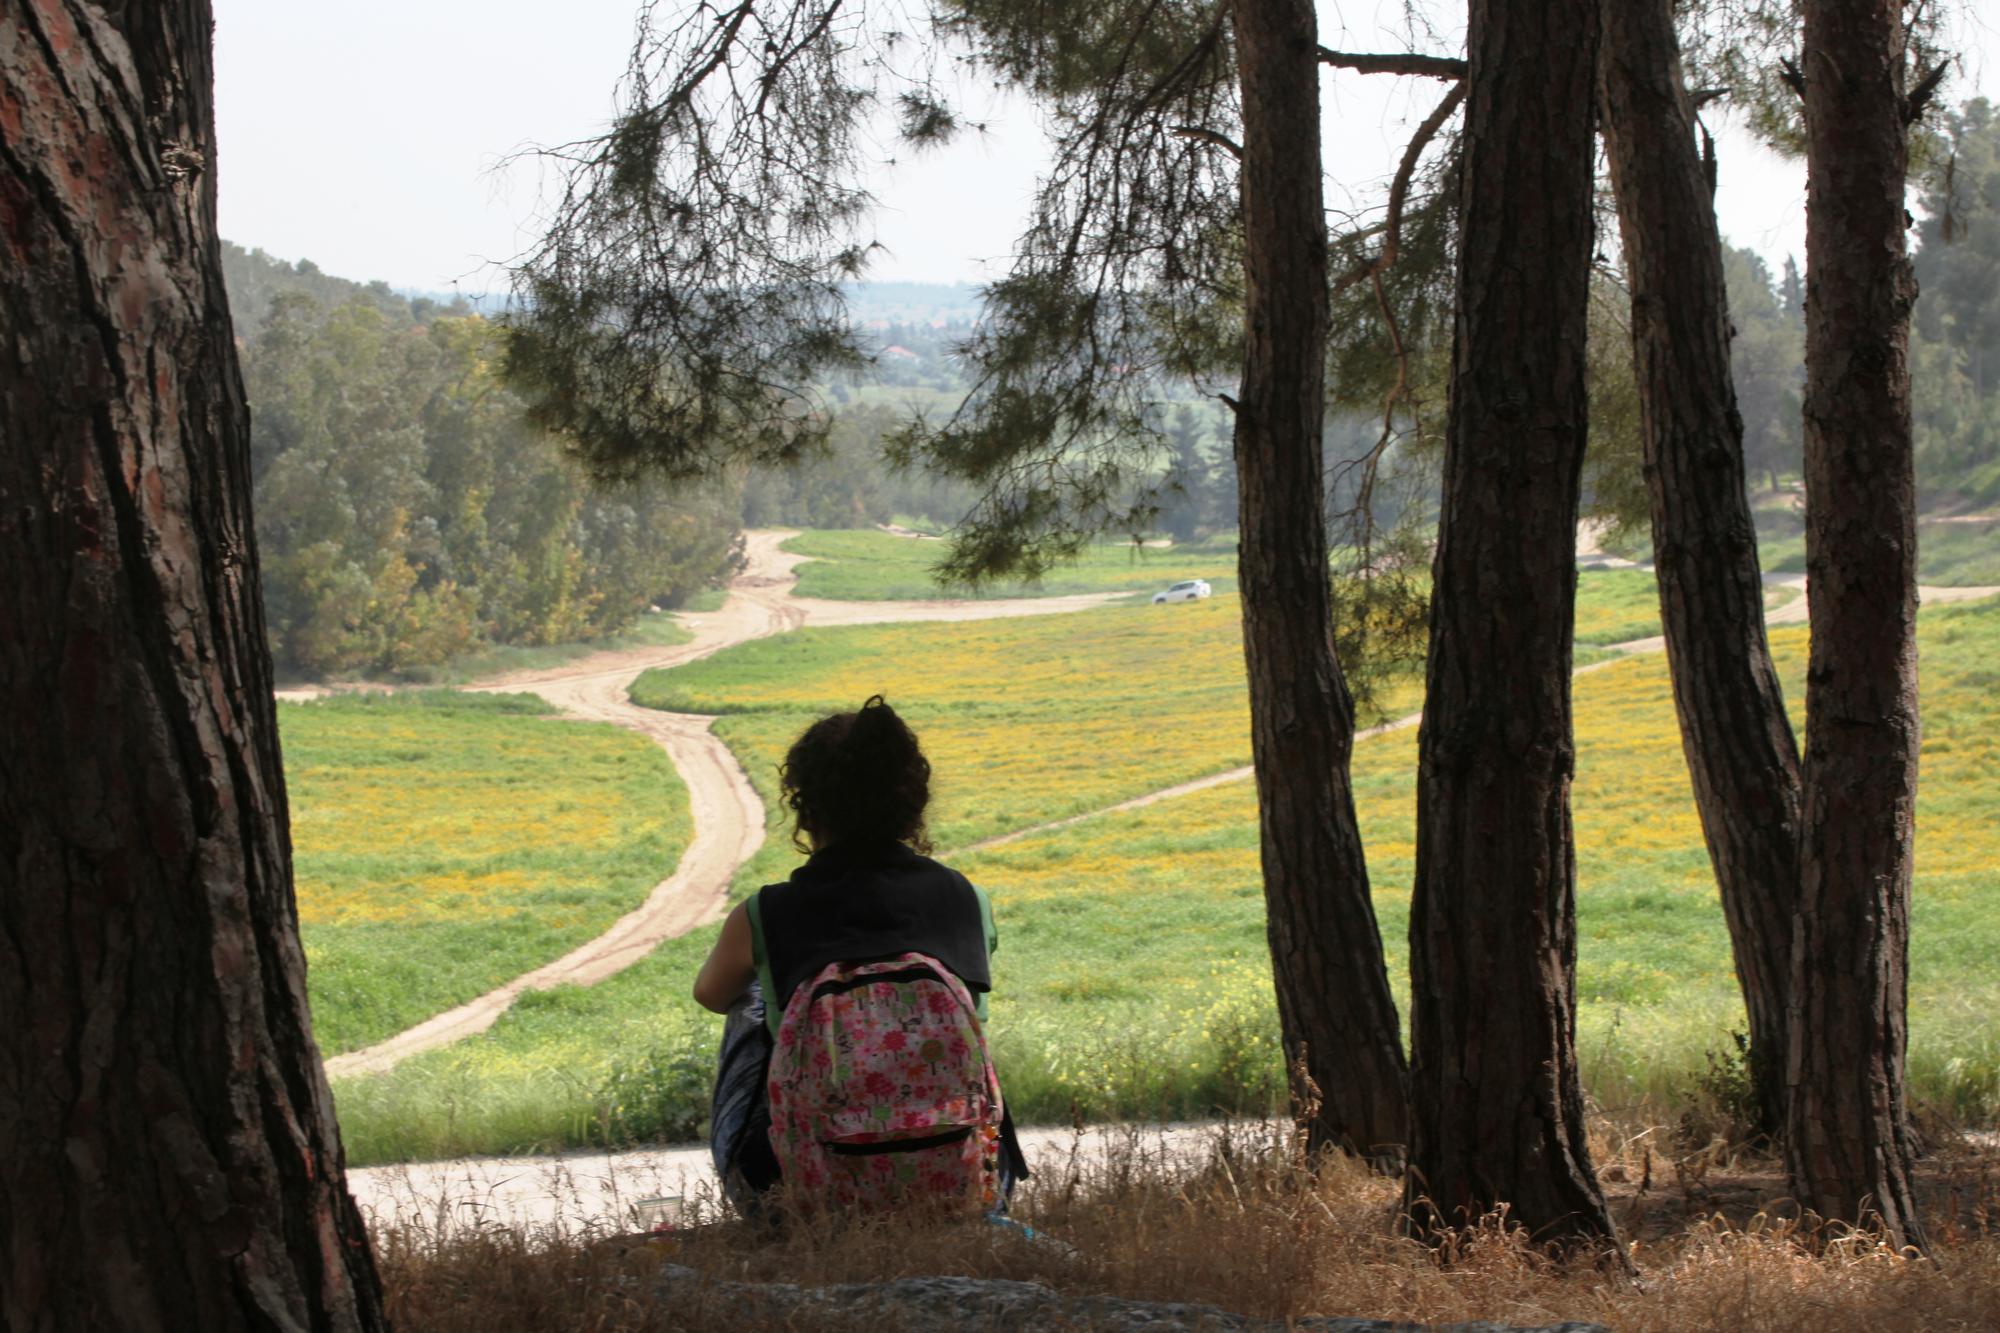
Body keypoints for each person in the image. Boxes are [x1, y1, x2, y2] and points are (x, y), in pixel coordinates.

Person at [693, 695, 1027, 1213]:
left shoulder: (765, 913)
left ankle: (781, 1194)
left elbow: (710, 995)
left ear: (804, 807)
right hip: (966, 1181)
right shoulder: (966, 898)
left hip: (808, 1191)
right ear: (911, 804)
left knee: (752, 998)